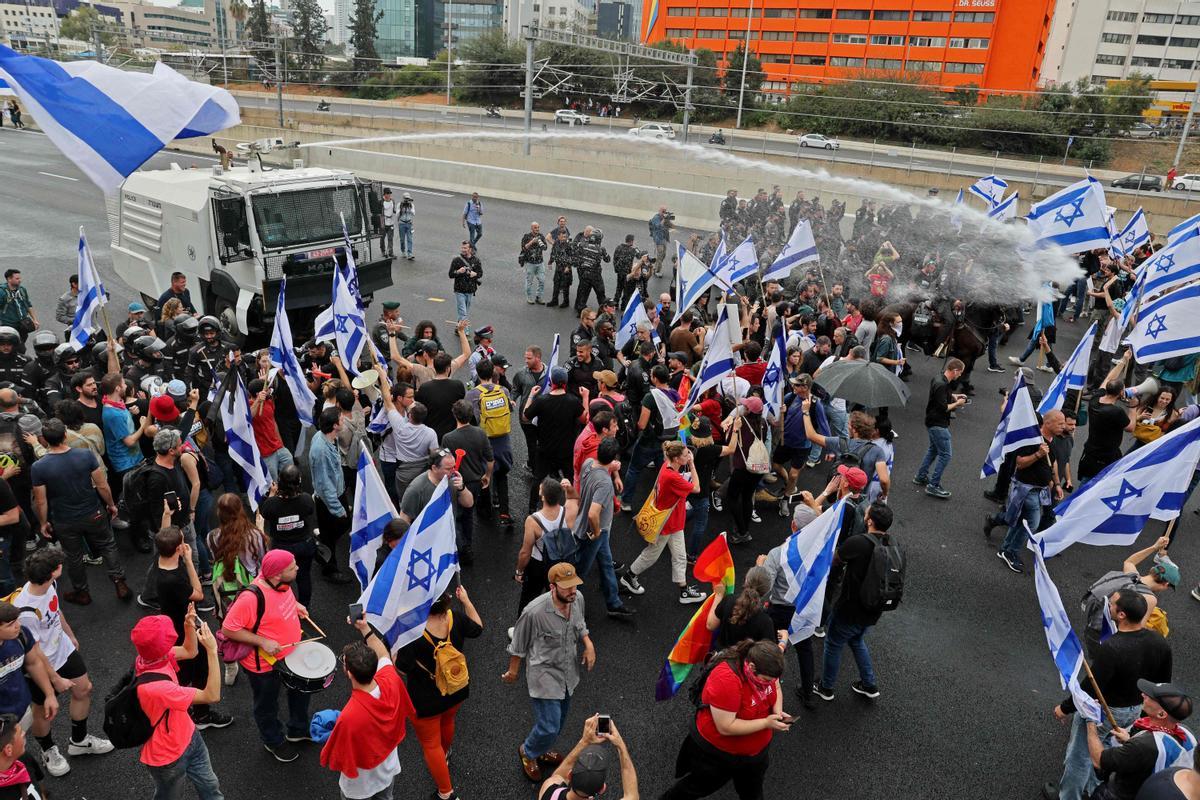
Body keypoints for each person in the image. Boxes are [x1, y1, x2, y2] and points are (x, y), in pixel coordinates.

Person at [1049, 589, 1173, 800]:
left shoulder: (1112, 648)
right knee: (1106, 749)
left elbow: (1090, 687)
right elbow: (1162, 683)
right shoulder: (1159, 642)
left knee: (1079, 756)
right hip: (1134, 709)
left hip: (1105, 710)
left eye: (1113, 603)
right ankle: (1094, 789)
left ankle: (1069, 796)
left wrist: (1065, 707)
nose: (1109, 605)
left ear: (1122, 614)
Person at [16, 548, 113, 777]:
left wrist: (69, 634)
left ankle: (79, 742)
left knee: (84, 689)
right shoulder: (26, 611)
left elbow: (56, 610)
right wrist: (55, 678)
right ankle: (48, 750)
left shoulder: (50, 585)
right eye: (59, 565)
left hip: (62, 650)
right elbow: (35, 651)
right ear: (54, 572)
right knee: (43, 710)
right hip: (42, 665)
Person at [660, 640, 791, 800]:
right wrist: (766, 723)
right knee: (694, 789)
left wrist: (777, 712)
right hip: (718, 756)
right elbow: (725, 726)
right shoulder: (726, 679)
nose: (769, 684)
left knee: (753, 794)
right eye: (765, 680)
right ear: (751, 667)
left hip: (755, 756)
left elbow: (775, 685)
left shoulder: (768, 667)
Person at [504, 562, 596, 783]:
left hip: (568, 673)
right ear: (552, 587)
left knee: (559, 722)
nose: (572, 591)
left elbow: (580, 623)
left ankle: (541, 747)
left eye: (574, 585)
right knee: (549, 725)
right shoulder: (533, 612)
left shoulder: (577, 599)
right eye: (566, 587)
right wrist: (513, 672)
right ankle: (528, 751)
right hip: (544, 677)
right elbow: (518, 644)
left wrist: (588, 643)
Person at [219, 549, 312, 763]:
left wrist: (295, 605)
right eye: (292, 567)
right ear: (277, 574)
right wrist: (263, 641)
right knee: (267, 705)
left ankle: (297, 730)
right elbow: (228, 629)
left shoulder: (279, 581)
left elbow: (279, 599)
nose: (297, 568)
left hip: (290, 654)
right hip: (264, 666)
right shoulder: (250, 598)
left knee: (300, 691)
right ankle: (273, 740)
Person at [394, 585, 483, 800]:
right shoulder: (456, 618)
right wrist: (467, 601)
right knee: (448, 721)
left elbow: (402, 667)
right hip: (456, 688)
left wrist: (395, 648)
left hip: (425, 699)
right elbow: (478, 628)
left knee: (430, 744)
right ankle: (446, 756)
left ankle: (446, 793)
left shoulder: (412, 632)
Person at [30, 419, 130, 604]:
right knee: (108, 545)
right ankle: (119, 582)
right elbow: (102, 485)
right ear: (65, 435)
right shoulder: (85, 455)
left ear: (43, 439)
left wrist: (43, 523)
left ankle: (82, 593)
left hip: (64, 519)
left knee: (74, 556)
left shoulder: (39, 467)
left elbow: (41, 501)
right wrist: (111, 504)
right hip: (93, 512)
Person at [319, 615, 415, 800]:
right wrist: (365, 628)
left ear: (349, 673)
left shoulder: (349, 716)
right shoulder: (391, 680)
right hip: (387, 771)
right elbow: (383, 654)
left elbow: (339, 755)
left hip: (360, 786)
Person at [130, 613, 224, 800]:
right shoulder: (158, 688)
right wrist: (212, 651)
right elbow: (211, 695)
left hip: (190, 736)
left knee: (210, 785)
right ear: (162, 648)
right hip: (168, 758)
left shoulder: (149, 658)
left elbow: (190, 651)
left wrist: (188, 625)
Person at [815, 501, 895, 702]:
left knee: (833, 644)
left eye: (866, 514)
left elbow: (833, 560)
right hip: (874, 608)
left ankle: (826, 688)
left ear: (869, 521)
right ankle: (869, 684)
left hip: (850, 607)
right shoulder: (893, 545)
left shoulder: (859, 542)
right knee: (857, 639)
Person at [618, 441, 704, 604]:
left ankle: (683, 591)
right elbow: (697, 488)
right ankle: (629, 577)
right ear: (677, 459)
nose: (689, 456)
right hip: (666, 524)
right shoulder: (672, 477)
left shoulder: (667, 466)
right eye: (686, 455)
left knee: (679, 555)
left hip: (673, 521)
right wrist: (692, 465)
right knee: (652, 554)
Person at [987, 410, 1067, 574]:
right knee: (1032, 523)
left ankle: (1005, 549)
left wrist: (1057, 483)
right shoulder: (1032, 440)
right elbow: (1020, 463)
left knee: (1019, 521)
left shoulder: (1053, 441)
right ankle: (1010, 552)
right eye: (1060, 423)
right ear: (1048, 423)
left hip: (1040, 490)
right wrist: (1038, 454)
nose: (1064, 426)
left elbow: (1052, 464)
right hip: (1026, 489)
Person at [1086, 680, 1195, 800]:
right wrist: (1129, 739)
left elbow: (1098, 759)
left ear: (1161, 714)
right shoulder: (1187, 733)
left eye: (1151, 697)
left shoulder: (1142, 746)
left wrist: (1090, 721)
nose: (1143, 695)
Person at [538, 715, 639, 800]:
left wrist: (585, 741)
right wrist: (620, 745)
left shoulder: (549, 789)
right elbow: (632, 796)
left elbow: (559, 776)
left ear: (570, 775)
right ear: (602, 789)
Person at [913, 358, 967, 499]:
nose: (960, 375)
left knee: (933, 450)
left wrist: (954, 396)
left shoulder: (939, 378)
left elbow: (940, 397)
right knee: (946, 454)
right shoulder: (942, 385)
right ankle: (933, 485)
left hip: (931, 420)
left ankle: (921, 476)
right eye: (960, 373)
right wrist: (958, 404)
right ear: (955, 371)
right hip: (938, 424)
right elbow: (944, 407)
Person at [309, 408, 353, 585]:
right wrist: (338, 509)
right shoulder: (321, 450)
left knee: (334, 531)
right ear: (335, 425)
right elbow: (324, 485)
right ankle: (330, 570)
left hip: (334, 494)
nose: (344, 421)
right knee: (334, 530)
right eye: (341, 420)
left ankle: (322, 551)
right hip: (330, 500)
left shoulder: (325, 438)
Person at [706, 565, 775, 649]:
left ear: (746, 580)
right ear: (767, 590)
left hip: (721, 659)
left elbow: (710, 625)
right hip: (745, 661)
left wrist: (719, 595)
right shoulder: (765, 621)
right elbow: (769, 653)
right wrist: (783, 642)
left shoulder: (729, 600)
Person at [449, 242, 483, 322]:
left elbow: (480, 273)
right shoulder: (457, 260)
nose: (463, 250)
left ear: (470, 249)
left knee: (464, 312)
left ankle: (459, 327)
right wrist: (458, 271)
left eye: (465, 248)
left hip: (470, 290)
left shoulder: (476, 260)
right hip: (459, 290)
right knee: (463, 312)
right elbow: (450, 274)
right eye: (462, 248)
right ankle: (464, 331)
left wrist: (475, 274)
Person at [0, 271, 37, 345]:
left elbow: (28, 305)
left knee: (21, 345)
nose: (20, 280)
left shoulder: (22, 290)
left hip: (23, 325)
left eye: (20, 278)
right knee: (10, 346)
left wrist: (35, 320)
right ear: (9, 279)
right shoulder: (2, 292)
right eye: (17, 278)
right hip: (8, 325)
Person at [522, 222, 550, 305]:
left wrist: (539, 242)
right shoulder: (526, 236)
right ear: (531, 228)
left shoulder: (541, 236)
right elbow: (524, 248)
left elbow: (545, 248)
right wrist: (531, 242)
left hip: (540, 263)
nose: (537, 229)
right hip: (530, 263)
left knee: (542, 280)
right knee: (529, 281)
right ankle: (529, 297)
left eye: (538, 227)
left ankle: (539, 297)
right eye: (535, 227)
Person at [397, 192, 416, 260]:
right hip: (402, 223)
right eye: (406, 199)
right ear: (403, 198)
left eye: (408, 199)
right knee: (402, 239)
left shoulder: (411, 205)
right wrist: (402, 208)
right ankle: (403, 251)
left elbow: (414, 213)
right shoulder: (399, 204)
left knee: (409, 239)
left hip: (409, 223)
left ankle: (410, 253)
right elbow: (397, 214)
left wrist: (409, 207)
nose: (407, 200)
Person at [380, 188, 396, 258]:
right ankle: (383, 251)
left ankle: (390, 252)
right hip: (383, 223)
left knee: (390, 238)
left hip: (391, 223)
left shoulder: (393, 201)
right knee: (382, 238)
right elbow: (378, 212)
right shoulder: (381, 202)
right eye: (387, 193)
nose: (389, 195)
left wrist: (399, 212)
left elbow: (394, 210)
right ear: (385, 194)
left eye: (390, 193)